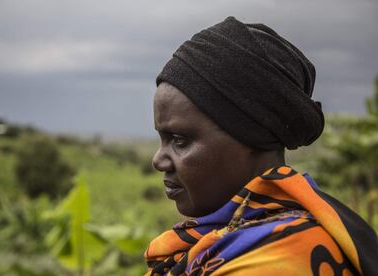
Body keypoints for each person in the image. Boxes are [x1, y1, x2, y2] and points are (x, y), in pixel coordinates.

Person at [144, 17, 378, 275]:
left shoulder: (279, 260)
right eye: (162, 139)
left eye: (179, 140)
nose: (158, 160)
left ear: (250, 136)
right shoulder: (217, 241)